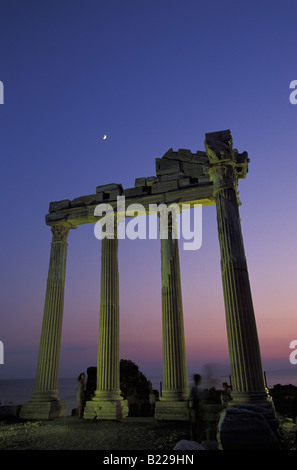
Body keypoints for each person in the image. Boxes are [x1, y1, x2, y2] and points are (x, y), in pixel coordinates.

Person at [188, 374, 202, 442]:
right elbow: (191, 398)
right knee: (193, 425)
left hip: (194, 408)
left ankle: (194, 439)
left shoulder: (195, 387)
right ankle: (193, 439)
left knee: (195, 424)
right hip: (193, 408)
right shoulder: (194, 387)